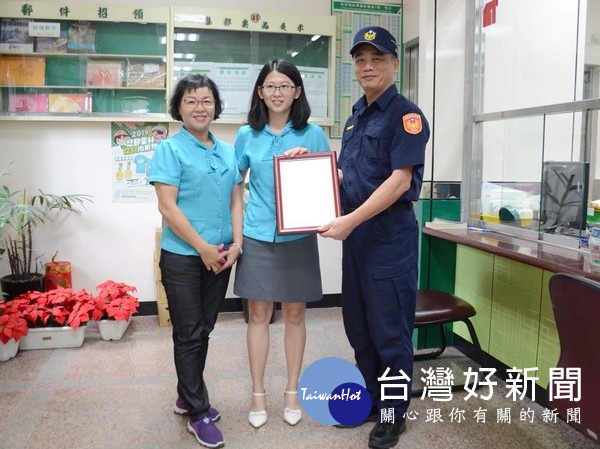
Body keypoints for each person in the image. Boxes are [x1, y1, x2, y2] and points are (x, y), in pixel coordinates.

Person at [318, 26, 430, 449]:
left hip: (389, 239)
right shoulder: (356, 116)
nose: (368, 66)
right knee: (359, 326)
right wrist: (312, 170)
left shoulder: (407, 116)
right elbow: (355, 176)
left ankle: (393, 415)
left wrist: (350, 220)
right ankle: (371, 400)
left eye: (377, 59)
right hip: (358, 240)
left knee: (389, 331)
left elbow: (399, 181)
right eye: (361, 60)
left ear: (394, 64)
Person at [149, 74, 244, 449]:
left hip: (222, 255)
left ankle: (186, 393)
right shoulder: (169, 150)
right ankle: (198, 411)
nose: (200, 107)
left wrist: (237, 243)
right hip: (185, 257)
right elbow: (167, 207)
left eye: (207, 100)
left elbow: (237, 199)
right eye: (191, 101)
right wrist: (204, 247)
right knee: (188, 332)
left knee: (202, 329)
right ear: (179, 108)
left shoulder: (227, 150)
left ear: (216, 107)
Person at [233, 58, 330, 429]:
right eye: (270, 86)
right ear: (260, 92)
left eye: (285, 86)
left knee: (294, 313)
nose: (277, 93)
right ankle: (258, 393)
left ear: (297, 92)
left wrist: (310, 163)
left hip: (299, 236)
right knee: (258, 315)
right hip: (258, 234)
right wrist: (237, 237)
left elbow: (328, 182)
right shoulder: (246, 135)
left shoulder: (313, 133)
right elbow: (235, 186)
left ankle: (292, 391)